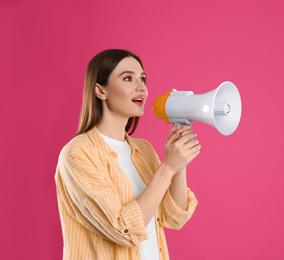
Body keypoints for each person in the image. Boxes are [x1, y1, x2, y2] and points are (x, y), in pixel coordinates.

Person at [55, 49, 200, 260]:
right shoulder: (77, 154)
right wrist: (167, 167)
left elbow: (175, 217)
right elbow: (122, 228)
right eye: (127, 78)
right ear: (100, 91)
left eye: (143, 78)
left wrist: (179, 162)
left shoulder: (144, 151)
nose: (141, 87)